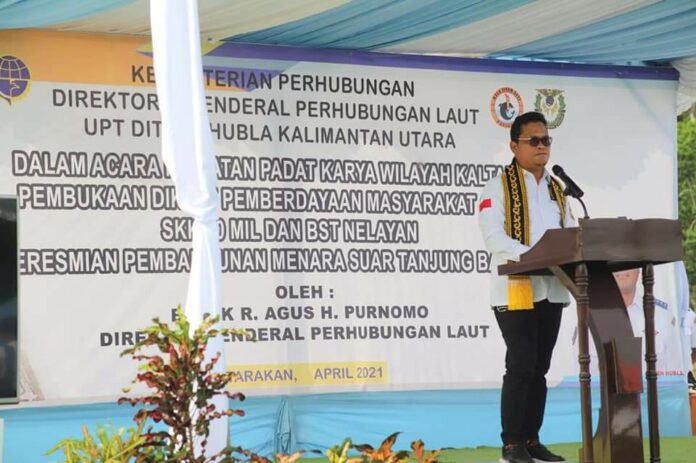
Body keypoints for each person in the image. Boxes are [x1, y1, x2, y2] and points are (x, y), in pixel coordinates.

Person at [478, 112, 572, 463]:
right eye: (534, 140)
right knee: (521, 363)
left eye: (546, 140)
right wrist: (534, 256)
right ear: (514, 146)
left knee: (540, 367)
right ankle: (512, 444)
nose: (541, 146)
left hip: (551, 288)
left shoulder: (556, 189)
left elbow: (570, 235)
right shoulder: (498, 185)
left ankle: (531, 440)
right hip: (516, 287)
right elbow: (493, 237)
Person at [613, 268, 682, 375]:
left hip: (654, 386)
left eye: (628, 262)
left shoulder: (662, 315)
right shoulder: (590, 315)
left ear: (639, 270)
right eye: (617, 263)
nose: (622, 269)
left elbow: (674, 372)